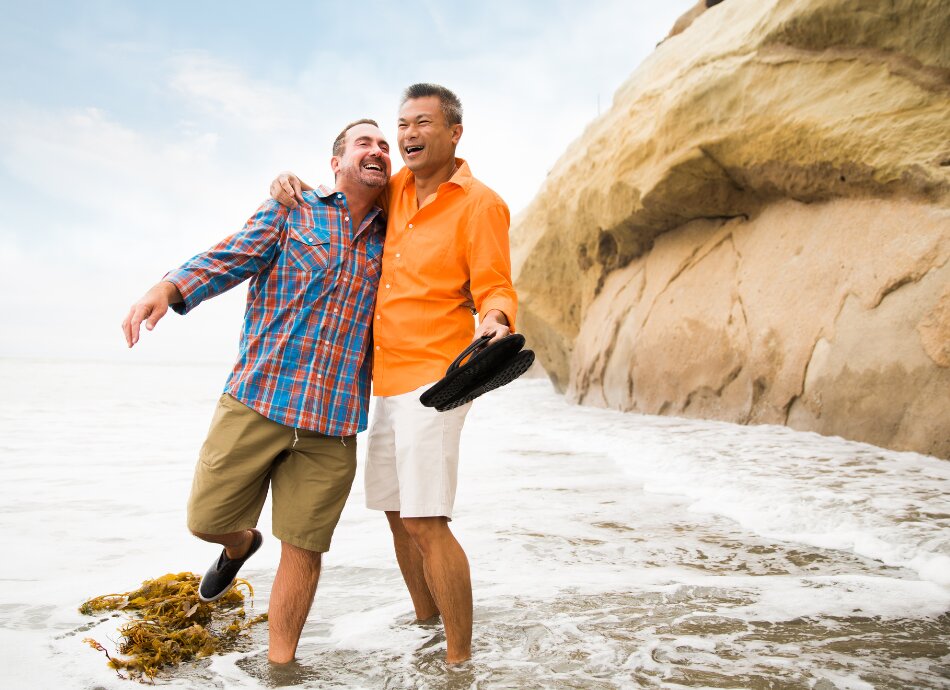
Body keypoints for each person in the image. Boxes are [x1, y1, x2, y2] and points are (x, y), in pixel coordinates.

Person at [121, 119, 391, 664]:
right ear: (335, 162)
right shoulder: (292, 209)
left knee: (305, 548)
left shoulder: (396, 235)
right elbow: (229, 258)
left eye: (385, 145)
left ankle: (280, 666)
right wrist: (167, 287)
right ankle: (239, 545)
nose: (379, 150)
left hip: (333, 422)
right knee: (205, 520)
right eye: (365, 141)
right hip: (258, 397)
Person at [270, 83, 517, 664]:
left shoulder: (482, 203)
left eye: (422, 123)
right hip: (387, 379)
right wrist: (289, 183)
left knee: (428, 520)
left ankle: (459, 662)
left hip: (439, 377)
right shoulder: (397, 189)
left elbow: (495, 284)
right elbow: (346, 191)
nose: (407, 134)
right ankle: (427, 624)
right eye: (402, 122)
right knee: (396, 512)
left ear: (454, 133)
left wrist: (497, 321)